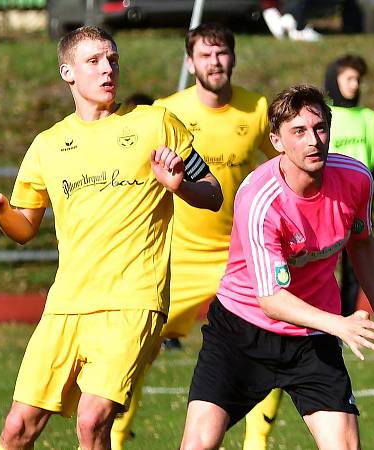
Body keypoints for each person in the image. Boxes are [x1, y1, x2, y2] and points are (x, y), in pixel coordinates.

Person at [0, 26, 222, 450]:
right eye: (94, 61)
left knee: (92, 421)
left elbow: (214, 193)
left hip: (134, 299)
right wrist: (2, 214)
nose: (108, 69)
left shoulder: (157, 123)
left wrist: (179, 185)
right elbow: (25, 229)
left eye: (113, 59)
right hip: (66, 305)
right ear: (67, 72)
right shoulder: (47, 145)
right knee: (18, 428)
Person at [180, 84, 374, 450]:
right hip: (242, 331)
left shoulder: (357, 178)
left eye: (320, 127)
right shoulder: (259, 199)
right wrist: (339, 324)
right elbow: (271, 300)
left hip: (311, 339)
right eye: (299, 131)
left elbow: (363, 244)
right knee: (198, 446)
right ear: (276, 141)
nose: (314, 140)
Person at [109, 22, 281, 450]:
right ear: (191, 62)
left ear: (233, 57)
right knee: (134, 351)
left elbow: (282, 168)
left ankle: (256, 444)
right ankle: (114, 438)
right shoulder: (168, 110)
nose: (214, 61)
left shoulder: (256, 108)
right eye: (205, 55)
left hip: (242, 256)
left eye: (221, 53)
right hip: (178, 258)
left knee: (276, 336)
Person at [324, 54, 374, 316]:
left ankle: (346, 316)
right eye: (348, 78)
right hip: (330, 198)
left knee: (355, 264)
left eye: (357, 79)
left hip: (360, 199)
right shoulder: (324, 115)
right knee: (324, 261)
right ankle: (324, 316)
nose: (354, 84)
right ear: (334, 80)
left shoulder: (368, 117)